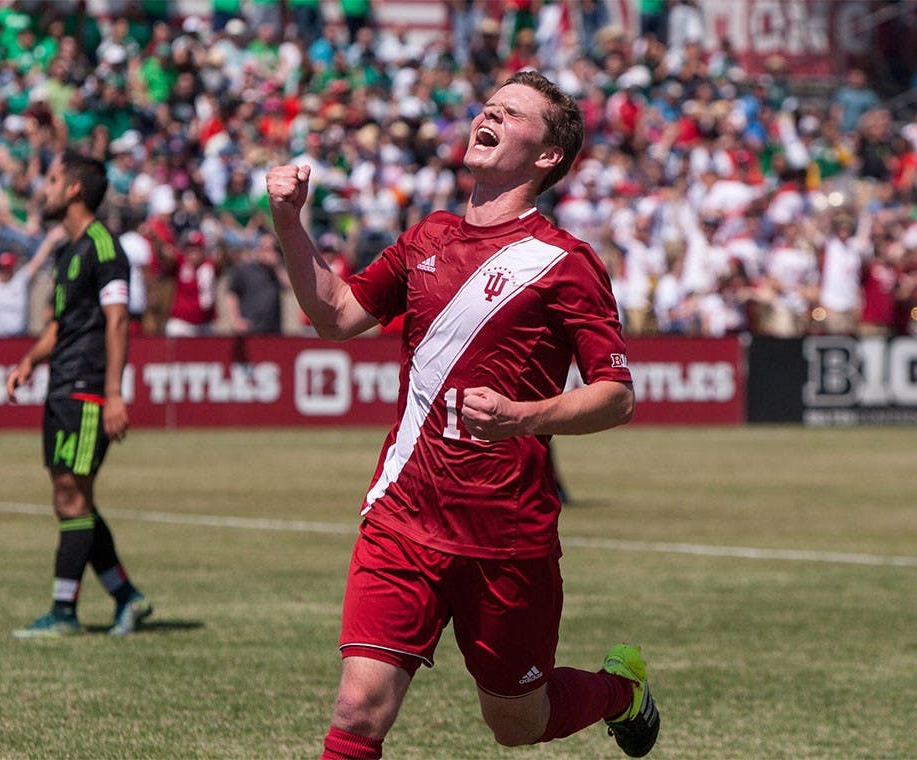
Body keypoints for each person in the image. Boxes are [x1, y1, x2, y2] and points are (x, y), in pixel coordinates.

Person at [267, 70, 658, 759]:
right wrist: (288, 223)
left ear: (546, 156)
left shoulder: (564, 262)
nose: (491, 114)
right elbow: (335, 315)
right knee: (358, 710)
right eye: (489, 107)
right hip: (403, 514)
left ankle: (621, 692)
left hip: (506, 533)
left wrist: (522, 416)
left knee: (516, 724)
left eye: (512, 113)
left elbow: (615, 395)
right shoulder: (426, 238)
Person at [5, 150, 152, 638]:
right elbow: (60, 326)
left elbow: (117, 321)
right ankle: (126, 597)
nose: (42, 188)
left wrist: (114, 393)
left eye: (50, 179)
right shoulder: (68, 252)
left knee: (72, 496)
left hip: (88, 388)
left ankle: (65, 611)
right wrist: (29, 360)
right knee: (71, 496)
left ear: (72, 190)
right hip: (61, 385)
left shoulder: (104, 247)